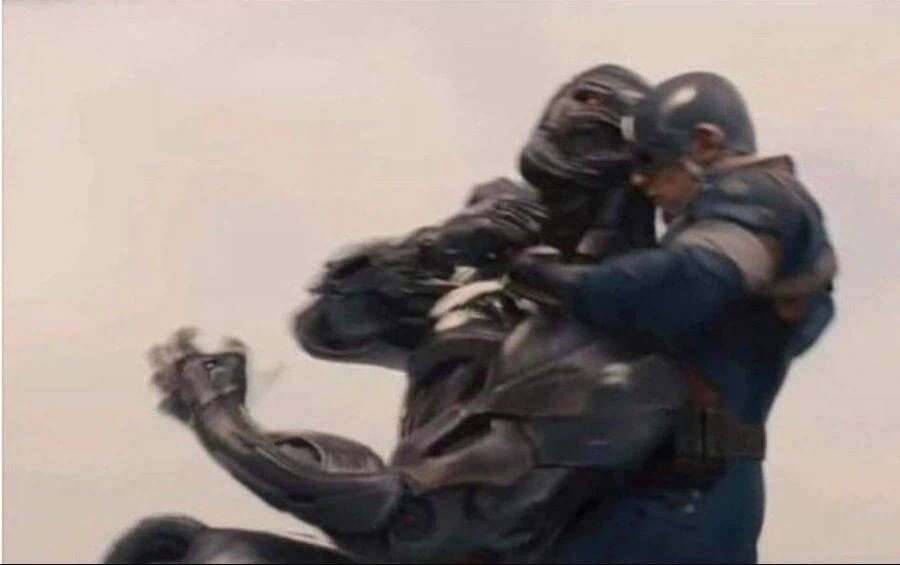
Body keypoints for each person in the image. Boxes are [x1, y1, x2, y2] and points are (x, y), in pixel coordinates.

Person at [507, 71, 838, 563]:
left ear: (705, 142)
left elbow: (683, 285)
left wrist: (560, 281)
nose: (639, 181)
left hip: (685, 499)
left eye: (649, 160)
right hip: (671, 489)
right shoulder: (739, 220)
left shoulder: (761, 198)